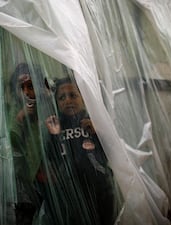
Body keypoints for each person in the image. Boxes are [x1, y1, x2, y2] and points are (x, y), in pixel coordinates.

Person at [45, 77, 119, 225]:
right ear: (57, 103)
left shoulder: (94, 121)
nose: (68, 101)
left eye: (73, 95)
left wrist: (97, 132)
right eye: (62, 98)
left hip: (100, 187)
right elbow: (52, 158)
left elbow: (111, 152)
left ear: (83, 98)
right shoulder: (57, 125)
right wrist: (54, 136)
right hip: (71, 189)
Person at [8, 62, 54, 225]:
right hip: (25, 176)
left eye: (31, 86)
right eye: (22, 88)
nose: (26, 92)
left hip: (49, 175)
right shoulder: (15, 109)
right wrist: (20, 118)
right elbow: (10, 141)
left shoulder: (49, 105)